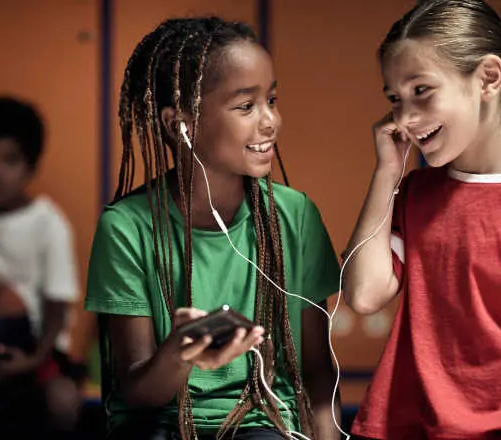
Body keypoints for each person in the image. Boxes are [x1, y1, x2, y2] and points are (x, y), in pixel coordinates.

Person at [85, 16, 341, 440]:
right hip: (157, 425)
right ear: (178, 125)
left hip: (263, 424)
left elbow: (316, 372)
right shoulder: (126, 228)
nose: (270, 121)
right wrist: (181, 353)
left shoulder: (295, 216)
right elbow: (138, 392)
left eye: (271, 100)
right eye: (246, 106)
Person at [343, 1, 501, 438]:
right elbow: (362, 294)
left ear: (488, 78)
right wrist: (386, 174)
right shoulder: (416, 191)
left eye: (422, 90)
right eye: (395, 99)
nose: (405, 119)